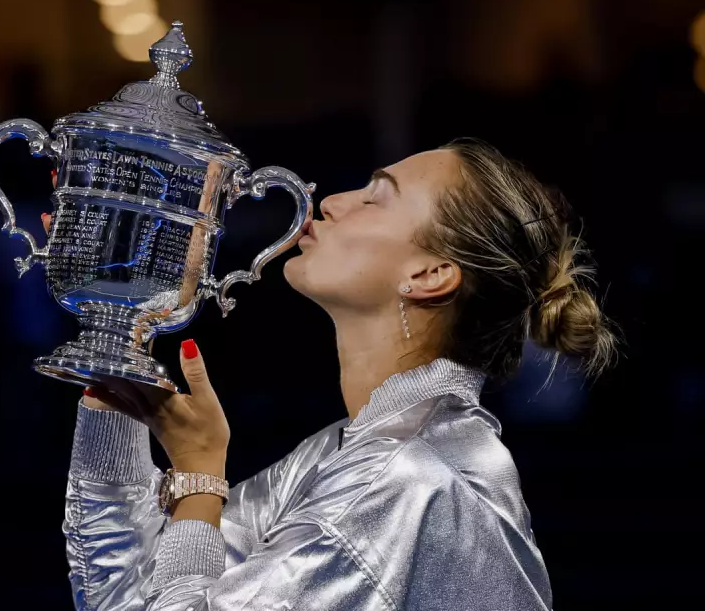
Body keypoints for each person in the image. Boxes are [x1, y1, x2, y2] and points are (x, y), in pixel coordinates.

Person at [55, 138, 618, 610]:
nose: (333, 202)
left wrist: (200, 472)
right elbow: (124, 595)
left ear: (429, 274)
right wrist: (121, 321)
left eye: (376, 200)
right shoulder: (352, 451)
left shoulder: (404, 476)